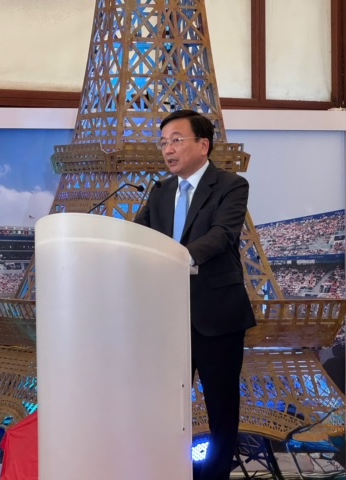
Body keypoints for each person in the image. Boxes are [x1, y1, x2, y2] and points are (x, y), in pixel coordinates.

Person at [134, 109, 256, 480]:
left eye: (176, 140)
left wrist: (177, 258)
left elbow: (222, 235)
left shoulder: (231, 185)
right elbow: (138, 236)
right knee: (165, 406)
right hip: (168, 318)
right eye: (163, 143)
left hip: (216, 315)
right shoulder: (160, 191)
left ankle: (214, 476)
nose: (167, 149)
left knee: (221, 408)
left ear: (203, 145)